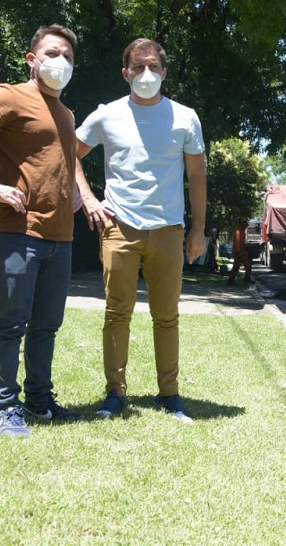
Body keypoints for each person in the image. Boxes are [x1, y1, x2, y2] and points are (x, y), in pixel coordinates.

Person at [0, 24, 85, 437]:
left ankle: (40, 403)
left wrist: (79, 194)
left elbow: (60, 162)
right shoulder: (11, 94)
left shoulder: (66, 112)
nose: (60, 62)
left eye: (68, 56)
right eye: (53, 53)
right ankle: (6, 409)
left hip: (59, 238)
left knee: (47, 327)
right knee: (12, 323)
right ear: (33, 59)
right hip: (16, 232)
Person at [75, 37, 207, 424]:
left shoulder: (185, 117)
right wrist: (89, 199)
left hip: (168, 228)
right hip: (119, 225)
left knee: (167, 316)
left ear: (164, 72)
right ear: (125, 73)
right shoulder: (106, 115)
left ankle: (170, 394)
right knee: (117, 313)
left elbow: (197, 177)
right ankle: (115, 393)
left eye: (153, 67)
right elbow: (70, 153)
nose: (145, 74)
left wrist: (198, 231)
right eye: (138, 67)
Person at [228, 220, 252, 285]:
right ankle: (231, 281)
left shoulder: (242, 231)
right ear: (242, 225)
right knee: (236, 267)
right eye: (245, 225)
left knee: (248, 266)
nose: (246, 226)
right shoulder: (238, 232)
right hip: (239, 253)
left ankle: (247, 279)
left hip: (242, 252)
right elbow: (237, 243)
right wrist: (239, 253)